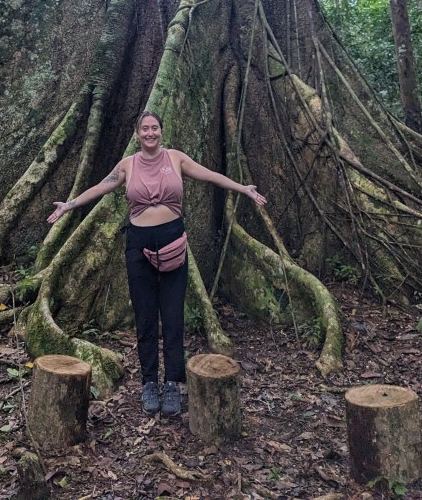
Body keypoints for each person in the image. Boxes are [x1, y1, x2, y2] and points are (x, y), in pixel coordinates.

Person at [47, 110, 266, 416]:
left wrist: (242, 188)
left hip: (173, 241)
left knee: (173, 315)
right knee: (145, 315)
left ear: (161, 131)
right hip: (138, 245)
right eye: (145, 129)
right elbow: (101, 187)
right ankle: (149, 382)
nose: (150, 133)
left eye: (154, 128)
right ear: (138, 133)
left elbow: (210, 175)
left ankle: (173, 383)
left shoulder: (175, 158)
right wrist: (69, 205)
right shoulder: (128, 165)